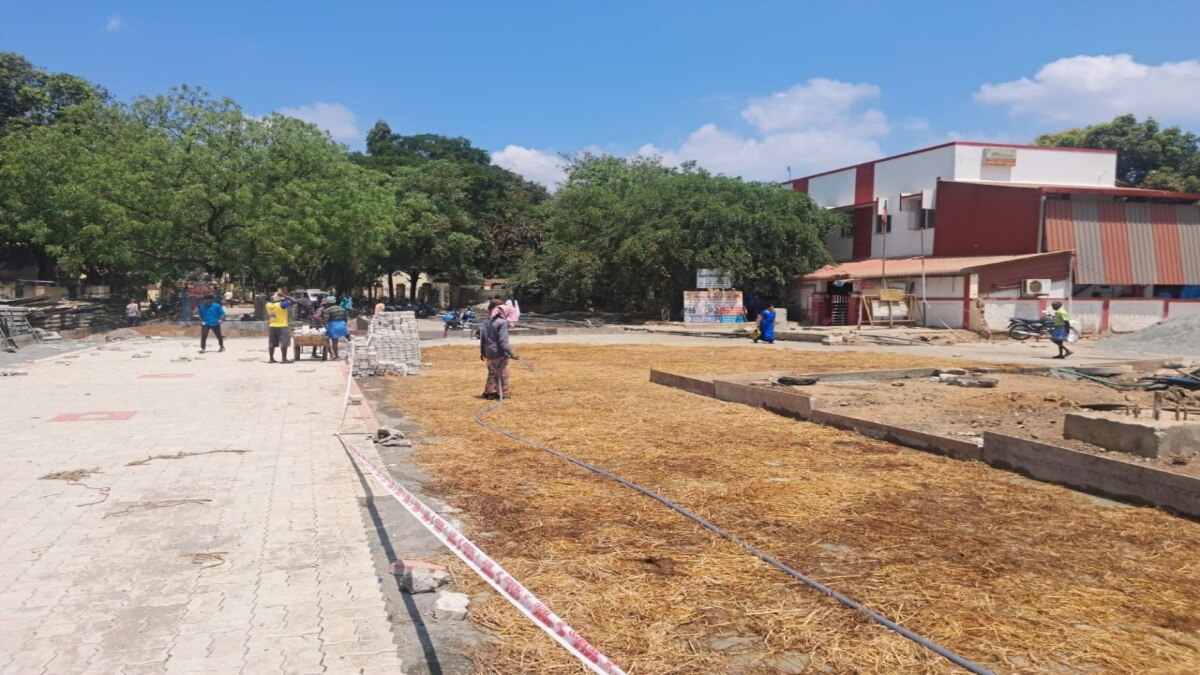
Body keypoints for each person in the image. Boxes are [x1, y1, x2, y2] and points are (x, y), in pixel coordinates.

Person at [480, 300, 515, 400]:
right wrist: (512, 353)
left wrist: (482, 352)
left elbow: (483, 338)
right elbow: (503, 341)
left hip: (489, 352)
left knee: (492, 372)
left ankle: (489, 392)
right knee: (503, 372)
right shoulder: (502, 322)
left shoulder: (487, 322)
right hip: (499, 353)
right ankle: (501, 393)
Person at [266, 292, 295, 364]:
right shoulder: (281, 305)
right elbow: (294, 301)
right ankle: (284, 359)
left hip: (272, 325)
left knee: (272, 343)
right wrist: (285, 295)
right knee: (284, 342)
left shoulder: (268, 305)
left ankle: (271, 359)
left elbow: (269, 300)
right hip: (282, 326)